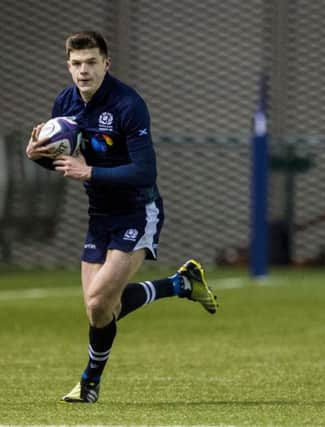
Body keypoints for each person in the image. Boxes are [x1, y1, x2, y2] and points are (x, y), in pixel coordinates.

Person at [25, 31, 218, 403]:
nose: (84, 71)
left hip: (137, 210)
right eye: (77, 64)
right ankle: (181, 284)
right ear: (68, 65)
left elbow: (145, 172)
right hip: (99, 214)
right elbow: (67, 163)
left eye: (92, 62)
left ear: (106, 63)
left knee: (99, 303)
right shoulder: (64, 103)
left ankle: (89, 383)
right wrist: (37, 155)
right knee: (100, 311)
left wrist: (90, 173)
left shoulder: (129, 104)